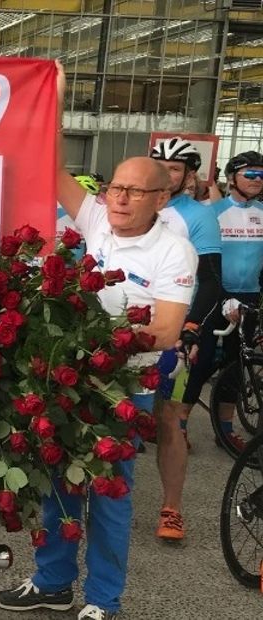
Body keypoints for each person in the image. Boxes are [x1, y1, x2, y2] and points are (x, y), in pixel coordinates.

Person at [0, 63, 197, 620]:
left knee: (109, 492)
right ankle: (53, 584)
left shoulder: (174, 250)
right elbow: (51, 163)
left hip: (126, 385)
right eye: (114, 187)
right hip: (74, 377)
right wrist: (51, 98)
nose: (120, 199)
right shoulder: (98, 222)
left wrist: (90, 338)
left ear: (162, 198)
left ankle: (104, 599)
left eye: (135, 192)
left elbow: (167, 330)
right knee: (58, 481)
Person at [146, 136, 224, 542]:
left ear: (188, 175)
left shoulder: (197, 215)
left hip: (173, 330)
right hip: (126, 327)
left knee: (169, 419)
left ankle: (172, 508)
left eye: (174, 168)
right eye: (159, 165)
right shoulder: (136, 203)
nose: (166, 173)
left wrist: (190, 328)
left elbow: (211, 282)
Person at [203, 151, 263, 454]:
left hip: (250, 296)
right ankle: (179, 424)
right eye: (250, 174)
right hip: (216, 295)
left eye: (261, 174)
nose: (257, 180)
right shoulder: (213, 212)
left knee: (237, 364)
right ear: (231, 179)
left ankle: (225, 430)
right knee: (198, 362)